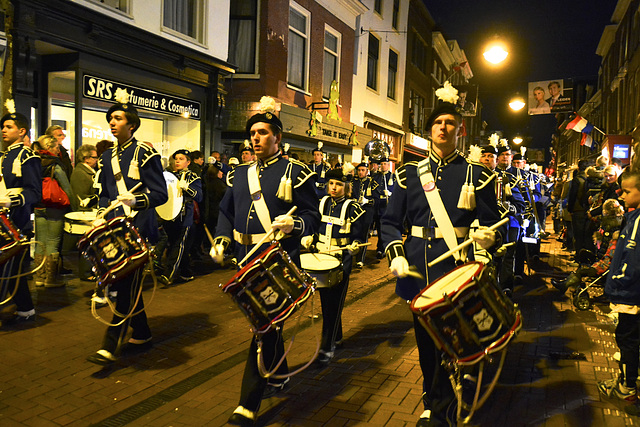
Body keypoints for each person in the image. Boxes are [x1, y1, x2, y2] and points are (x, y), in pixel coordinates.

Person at [381, 82, 504, 427]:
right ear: (430, 129)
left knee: (457, 337)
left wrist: (486, 240)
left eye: (450, 123)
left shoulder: (477, 174)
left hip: (458, 268)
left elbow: (497, 227)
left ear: (459, 130)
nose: (443, 128)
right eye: (437, 123)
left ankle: (442, 403)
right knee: (426, 342)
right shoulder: (408, 174)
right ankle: (435, 399)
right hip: (418, 270)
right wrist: (395, 254)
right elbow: (390, 222)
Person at [210, 98, 320, 426]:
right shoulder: (239, 175)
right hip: (246, 260)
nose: (255, 138)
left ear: (278, 138)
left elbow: (313, 215)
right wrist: (221, 238)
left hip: (276, 261)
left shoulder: (297, 173)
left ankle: (248, 402)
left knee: (261, 325)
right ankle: (280, 375)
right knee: (269, 325)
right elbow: (226, 212)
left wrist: (295, 225)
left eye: (262, 133)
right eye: (253, 133)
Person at [86, 91, 168, 366]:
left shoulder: (145, 153)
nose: (112, 122)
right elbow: (106, 194)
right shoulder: (108, 156)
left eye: (118, 118)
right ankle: (142, 333)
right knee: (127, 284)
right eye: (110, 118)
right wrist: (100, 214)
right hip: (115, 228)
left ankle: (110, 344)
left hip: (139, 229)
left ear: (131, 125)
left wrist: (138, 200)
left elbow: (161, 194)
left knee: (126, 285)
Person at [301, 167, 365, 365]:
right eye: (331, 184)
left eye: (338, 184)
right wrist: (309, 237)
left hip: (341, 261)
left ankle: (327, 348)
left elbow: (360, 236)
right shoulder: (322, 203)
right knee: (327, 303)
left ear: (346, 186)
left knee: (333, 304)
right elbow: (315, 226)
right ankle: (336, 337)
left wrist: (355, 248)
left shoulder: (354, 208)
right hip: (321, 258)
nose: (334, 188)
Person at [598, 168, 640, 410]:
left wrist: (615, 282)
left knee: (626, 339)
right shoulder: (634, 216)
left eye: (627, 191)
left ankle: (626, 388)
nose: (621, 196)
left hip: (630, 294)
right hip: (633, 292)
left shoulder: (638, 220)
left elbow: (632, 259)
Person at [0, 105, 41, 325]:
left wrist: (12, 200)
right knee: (12, 268)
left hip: (18, 221)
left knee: (12, 267)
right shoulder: (2, 156)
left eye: (9, 126)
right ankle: (25, 308)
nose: (3, 130)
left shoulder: (28, 157)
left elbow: (35, 192)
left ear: (22, 131)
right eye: (2, 127)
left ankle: (25, 309)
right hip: (2, 220)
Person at [33, 134, 77, 287]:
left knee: (40, 242)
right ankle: (50, 279)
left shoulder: (33, 162)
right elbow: (66, 187)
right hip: (54, 207)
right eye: (57, 147)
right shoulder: (55, 164)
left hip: (38, 206)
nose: (59, 150)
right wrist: (74, 207)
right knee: (53, 241)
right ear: (49, 148)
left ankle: (39, 277)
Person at [480, 144, 525, 294]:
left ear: (496, 160)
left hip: (508, 224)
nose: (487, 159)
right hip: (483, 226)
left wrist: (509, 208)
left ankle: (505, 286)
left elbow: (520, 205)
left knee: (507, 255)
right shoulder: (472, 178)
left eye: (491, 156)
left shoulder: (508, 180)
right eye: (484, 155)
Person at [155, 149, 203, 286]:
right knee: (175, 245)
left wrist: (187, 188)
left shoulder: (193, 177)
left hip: (185, 217)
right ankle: (186, 273)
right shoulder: (169, 176)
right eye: (176, 158)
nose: (177, 161)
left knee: (179, 245)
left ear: (188, 162)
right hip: (170, 215)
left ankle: (168, 274)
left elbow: (199, 197)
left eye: (181, 159)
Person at [69, 144, 99, 282]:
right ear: (86, 158)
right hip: (85, 213)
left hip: (88, 212)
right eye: (94, 157)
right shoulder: (81, 173)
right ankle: (86, 272)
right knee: (87, 243)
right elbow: (81, 197)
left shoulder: (87, 172)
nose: (97, 159)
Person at [351, 161, 377, 268]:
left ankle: (360, 259)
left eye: (363, 170)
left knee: (364, 234)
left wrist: (367, 201)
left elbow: (376, 200)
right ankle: (353, 256)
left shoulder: (372, 182)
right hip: (356, 211)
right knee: (354, 233)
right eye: (359, 170)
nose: (360, 172)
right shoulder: (353, 181)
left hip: (367, 212)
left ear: (367, 171)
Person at [373, 157, 395, 258]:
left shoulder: (392, 176)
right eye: (381, 164)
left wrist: (391, 193)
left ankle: (382, 248)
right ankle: (381, 247)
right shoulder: (376, 176)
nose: (383, 166)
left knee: (384, 228)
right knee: (378, 227)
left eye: (385, 164)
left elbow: (397, 190)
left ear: (388, 165)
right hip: (377, 205)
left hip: (387, 206)